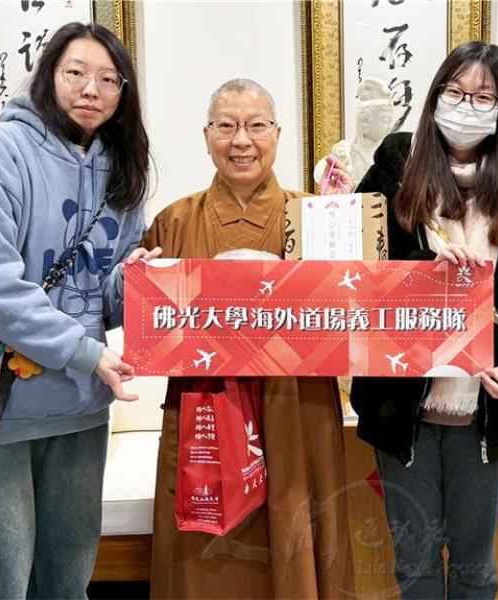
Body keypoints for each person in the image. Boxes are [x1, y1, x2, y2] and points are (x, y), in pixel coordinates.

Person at [349, 41, 498, 599]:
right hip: (400, 404)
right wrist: (421, 271)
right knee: (415, 565)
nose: (465, 106)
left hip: (485, 411)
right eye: (454, 92)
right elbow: (352, 272)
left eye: (483, 97)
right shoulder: (393, 173)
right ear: (434, 97)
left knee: (477, 567)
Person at [0, 22, 149, 599]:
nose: (91, 89)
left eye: (108, 79)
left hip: (80, 409)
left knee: (67, 585)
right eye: (76, 73)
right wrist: (85, 351)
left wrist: (138, 283)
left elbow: (101, 296)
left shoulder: (122, 168)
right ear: (47, 75)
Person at [137, 78, 354, 599]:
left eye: (256, 126)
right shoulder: (174, 222)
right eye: (226, 126)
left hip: (296, 405)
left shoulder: (316, 218)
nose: (241, 140)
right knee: (203, 549)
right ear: (206, 135)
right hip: (205, 408)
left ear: (277, 134)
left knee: (299, 530)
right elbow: (152, 329)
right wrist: (139, 282)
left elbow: (352, 316)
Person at [313, 77, 395, 186]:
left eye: (390, 121)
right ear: (365, 121)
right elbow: (322, 176)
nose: (390, 126)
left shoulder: (391, 155)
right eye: (385, 120)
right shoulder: (344, 153)